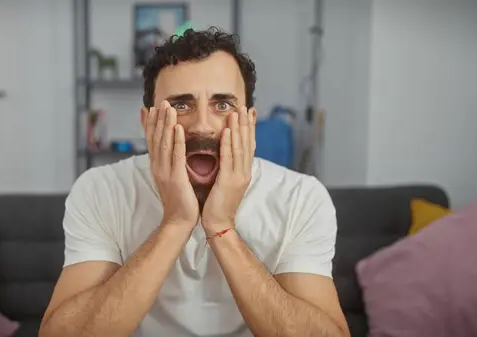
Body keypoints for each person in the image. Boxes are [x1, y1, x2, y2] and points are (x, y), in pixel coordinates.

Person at [39, 28, 349, 337]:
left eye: (223, 105)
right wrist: (175, 223)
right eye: (180, 105)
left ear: (250, 122)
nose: (202, 125)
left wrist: (221, 227)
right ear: (148, 123)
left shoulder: (302, 197)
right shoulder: (99, 190)